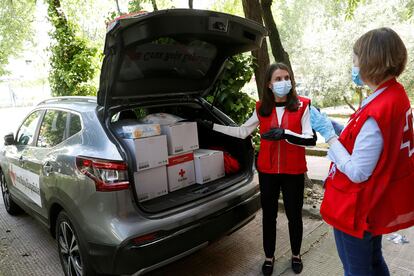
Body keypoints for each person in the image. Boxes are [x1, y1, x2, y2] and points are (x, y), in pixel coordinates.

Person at [311, 27, 414, 276]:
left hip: (357, 206)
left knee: (357, 270)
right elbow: (373, 139)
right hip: (374, 201)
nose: (353, 65)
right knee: (374, 262)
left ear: (370, 61)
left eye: (355, 59)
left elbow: (358, 171)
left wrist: (330, 135)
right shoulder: (394, 94)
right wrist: (341, 129)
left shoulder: (380, 106)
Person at [199, 63, 317, 275]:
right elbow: (243, 131)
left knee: (294, 215)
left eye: (286, 78)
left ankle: (296, 255)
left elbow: (310, 139)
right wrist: (212, 126)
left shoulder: (302, 105)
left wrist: (286, 134)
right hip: (268, 171)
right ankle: (269, 257)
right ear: (269, 85)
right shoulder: (261, 107)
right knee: (269, 216)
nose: (284, 82)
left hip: (294, 171)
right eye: (278, 79)